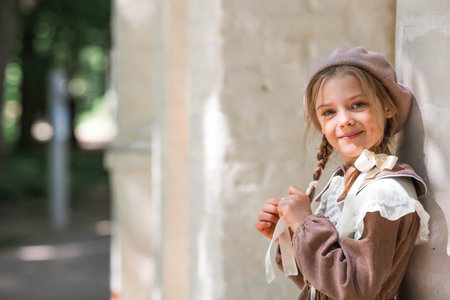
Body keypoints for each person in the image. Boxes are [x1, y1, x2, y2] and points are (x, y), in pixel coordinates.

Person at [255, 46, 430, 300]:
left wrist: (306, 224)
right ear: (321, 124)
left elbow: (355, 289)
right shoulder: (345, 183)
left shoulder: (384, 192)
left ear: (389, 107)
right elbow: (324, 284)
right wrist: (292, 236)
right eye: (329, 112)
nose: (344, 120)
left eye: (357, 104)